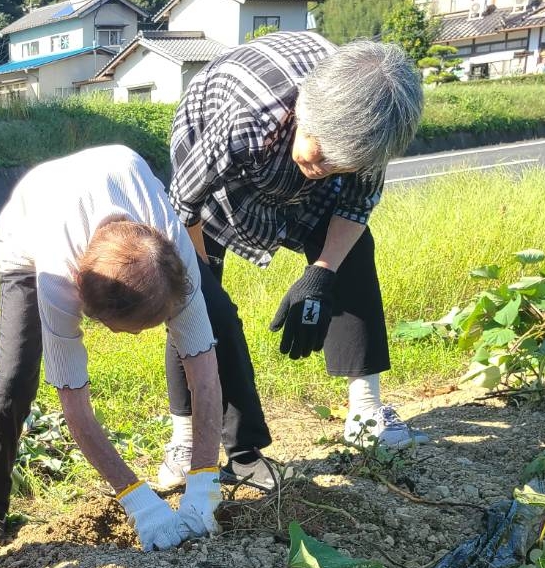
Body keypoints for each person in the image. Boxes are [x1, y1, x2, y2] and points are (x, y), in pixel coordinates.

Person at [161, 33, 426, 490]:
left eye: (340, 164)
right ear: (304, 110)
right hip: (224, 174)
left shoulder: (369, 127)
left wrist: (321, 274)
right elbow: (184, 207)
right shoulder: (241, 119)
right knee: (193, 304)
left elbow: (355, 207)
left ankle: (365, 411)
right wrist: (209, 292)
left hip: (296, 159)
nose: (323, 166)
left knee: (353, 254)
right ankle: (186, 438)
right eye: (321, 151)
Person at [0, 145, 225, 556]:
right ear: (83, 302)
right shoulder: (57, 281)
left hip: (116, 177)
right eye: (128, 331)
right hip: (32, 223)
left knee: (216, 321)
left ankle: (228, 460)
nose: (138, 339)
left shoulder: (173, 256)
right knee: (15, 371)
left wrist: (204, 479)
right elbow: (76, 410)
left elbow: (205, 374)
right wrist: (137, 500)